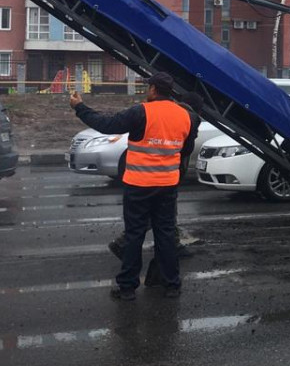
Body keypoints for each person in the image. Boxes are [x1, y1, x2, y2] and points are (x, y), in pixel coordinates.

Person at [70, 72, 198, 299]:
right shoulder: (186, 116)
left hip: (138, 185)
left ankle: (127, 288)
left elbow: (106, 124)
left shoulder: (141, 112)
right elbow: (186, 150)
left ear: (153, 90)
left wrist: (80, 107)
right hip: (167, 186)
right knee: (166, 235)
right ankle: (172, 285)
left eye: (148, 87)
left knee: (134, 235)